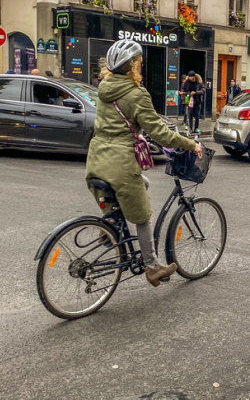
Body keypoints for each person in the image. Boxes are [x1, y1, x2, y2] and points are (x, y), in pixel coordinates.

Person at [85, 39, 201, 287]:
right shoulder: (136, 94)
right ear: (134, 65)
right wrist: (191, 144)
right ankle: (151, 266)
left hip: (96, 159)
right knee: (142, 215)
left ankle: (110, 226)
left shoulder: (105, 87)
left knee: (142, 185)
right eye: (139, 62)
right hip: (120, 162)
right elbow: (160, 133)